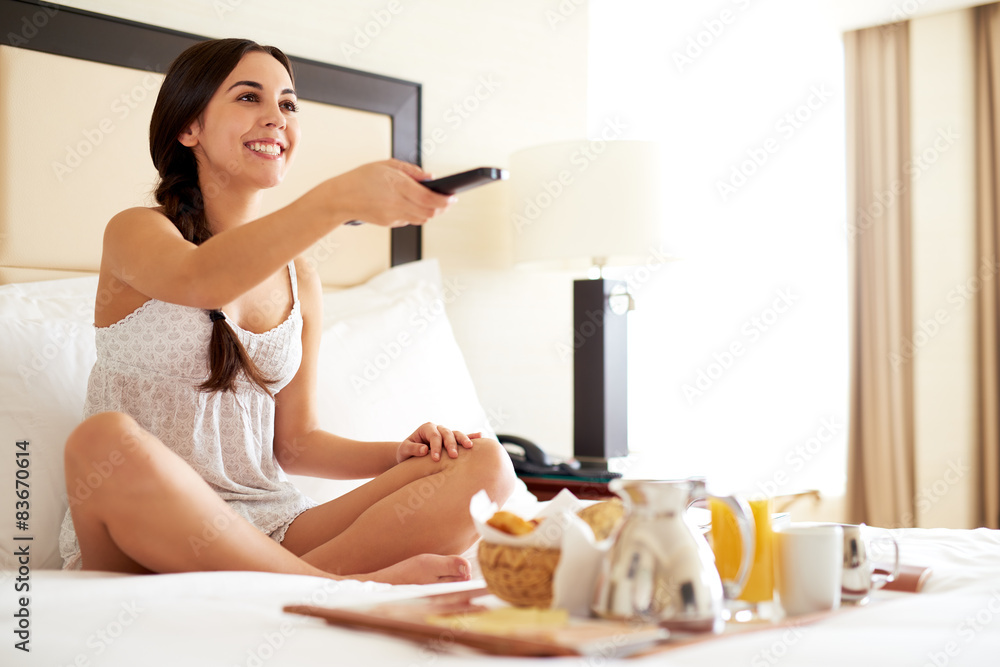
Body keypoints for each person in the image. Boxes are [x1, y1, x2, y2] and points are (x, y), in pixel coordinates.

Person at [58, 38, 516, 585]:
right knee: (101, 440)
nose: (275, 118)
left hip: (271, 527)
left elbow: (295, 444)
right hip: (145, 532)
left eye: (288, 104)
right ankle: (338, 586)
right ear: (189, 129)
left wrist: (401, 454)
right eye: (249, 98)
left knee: (486, 464)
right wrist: (337, 200)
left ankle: (306, 582)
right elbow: (202, 279)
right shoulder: (137, 231)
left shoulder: (301, 279)